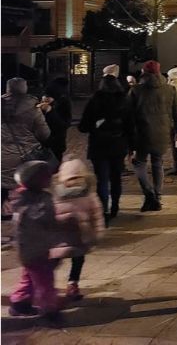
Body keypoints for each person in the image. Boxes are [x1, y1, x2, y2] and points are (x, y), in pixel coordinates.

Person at [128, 60, 177, 212]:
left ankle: (149, 194)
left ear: (143, 72)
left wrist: (129, 138)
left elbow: (128, 115)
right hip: (162, 132)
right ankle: (157, 196)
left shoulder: (136, 90)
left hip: (141, 133)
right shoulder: (169, 89)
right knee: (157, 163)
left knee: (139, 163)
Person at [8, 161, 60, 320]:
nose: (50, 179)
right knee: (45, 282)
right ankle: (49, 311)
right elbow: (41, 220)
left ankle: (20, 303)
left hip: (29, 248)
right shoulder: (35, 200)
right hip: (37, 249)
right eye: (46, 177)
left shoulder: (22, 197)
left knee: (30, 276)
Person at [50, 157, 105, 302]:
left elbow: (49, 214)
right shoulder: (89, 194)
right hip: (80, 235)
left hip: (60, 237)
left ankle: (47, 285)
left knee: (54, 261)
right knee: (77, 260)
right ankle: (72, 284)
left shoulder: (56, 194)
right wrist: (98, 233)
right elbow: (97, 214)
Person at [78, 75, 131, 225]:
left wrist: (96, 125)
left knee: (102, 179)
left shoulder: (95, 101)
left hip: (99, 145)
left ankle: (104, 211)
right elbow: (130, 125)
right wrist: (131, 145)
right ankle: (115, 207)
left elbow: (83, 126)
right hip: (118, 144)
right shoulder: (124, 101)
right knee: (116, 178)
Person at [2, 78, 51, 208]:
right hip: (25, 158)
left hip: (2, 157)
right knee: (26, 191)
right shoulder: (33, 108)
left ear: (7, 89)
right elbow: (44, 134)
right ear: (25, 88)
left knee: (3, 191)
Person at [40, 78, 72, 163]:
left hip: (56, 144)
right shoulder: (40, 104)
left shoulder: (64, 103)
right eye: (45, 95)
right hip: (42, 144)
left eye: (49, 96)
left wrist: (50, 111)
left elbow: (64, 125)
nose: (46, 98)